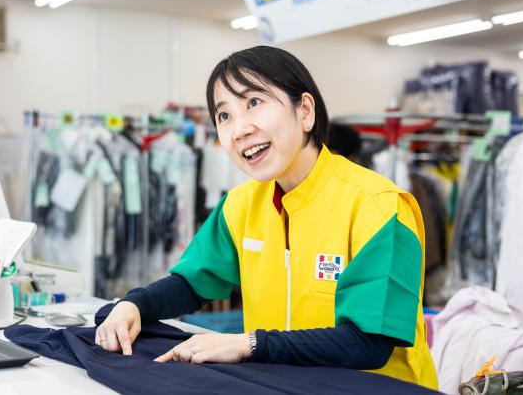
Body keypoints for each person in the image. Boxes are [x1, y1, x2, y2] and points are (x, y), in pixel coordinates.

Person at [95, 45, 438, 389]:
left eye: (254, 102)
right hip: (276, 384)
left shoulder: (380, 208)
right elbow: (192, 284)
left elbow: (369, 343)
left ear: (305, 111)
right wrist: (134, 304)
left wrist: (248, 344)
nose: (239, 129)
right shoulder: (240, 205)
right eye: (224, 116)